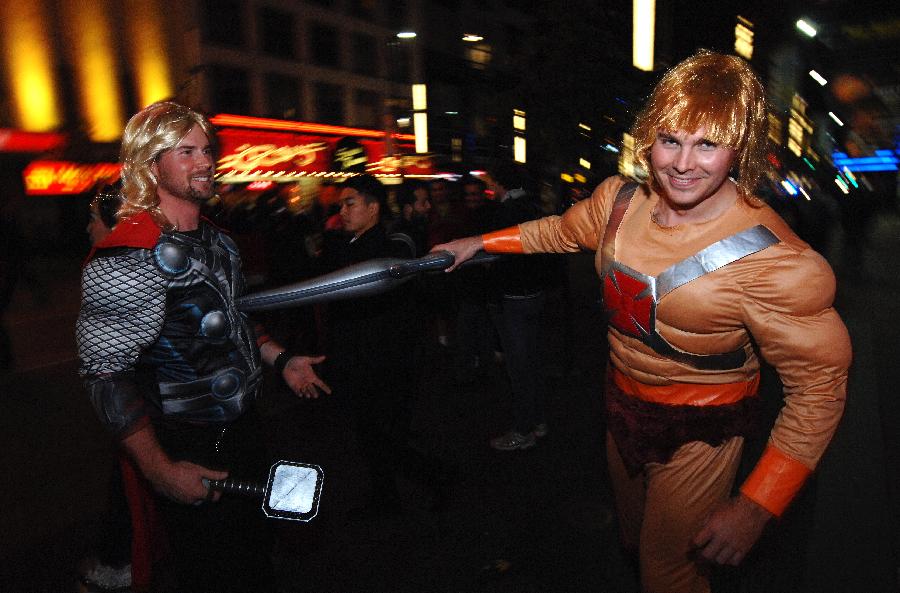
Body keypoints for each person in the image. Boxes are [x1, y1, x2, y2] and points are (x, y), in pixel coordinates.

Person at [434, 51, 851, 593]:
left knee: (670, 574)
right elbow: (558, 231)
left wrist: (757, 504)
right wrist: (481, 242)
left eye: (708, 144)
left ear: (739, 148)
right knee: (633, 543)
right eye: (670, 139)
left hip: (701, 434)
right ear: (648, 137)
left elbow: (819, 388)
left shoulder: (776, 263)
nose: (682, 163)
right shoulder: (619, 203)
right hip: (621, 410)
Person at [76, 101, 330, 592]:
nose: (205, 161)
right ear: (150, 164)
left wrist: (283, 359)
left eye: (207, 150)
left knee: (258, 559)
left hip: (245, 426)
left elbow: (232, 324)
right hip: (186, 441)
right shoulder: (127, 258)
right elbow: (105, 375)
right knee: (213, 574)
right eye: (186, 151)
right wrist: (160, 468)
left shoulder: (219, 243)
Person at [319, 174, 451, 516]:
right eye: (340, 206)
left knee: (386, 436)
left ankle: (435, 477)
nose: (343, 212)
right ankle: (385, 496)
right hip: (359, 359)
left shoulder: (390, 247)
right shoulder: (346, 245)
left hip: (385, 361)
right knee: (369, 434)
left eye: (351, 204)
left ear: (373, 207)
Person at [480, 163, 553, 450]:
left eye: (491, 182)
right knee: (532, 361)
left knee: (518, 366)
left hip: (512, 297)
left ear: (500, 184)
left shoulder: (505, 213)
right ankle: (538, 421)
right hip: (535, 294)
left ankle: (523, 429)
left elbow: (496, 255)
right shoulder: (533, 207)